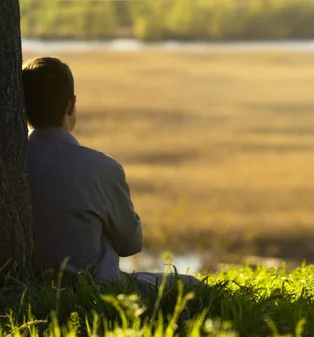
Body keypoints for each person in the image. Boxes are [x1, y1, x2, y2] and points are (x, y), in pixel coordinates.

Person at [22, 56, 200, 294]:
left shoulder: (9, 164)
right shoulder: (102, 169)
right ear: (71, 105)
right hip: (99, 291)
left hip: (30, 288)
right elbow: (130, 244)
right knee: (192, 286)